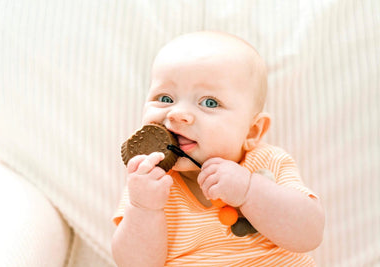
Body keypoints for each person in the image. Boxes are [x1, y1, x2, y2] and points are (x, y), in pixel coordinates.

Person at [111, 31, 324, 266]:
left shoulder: (267, 163)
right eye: (165, 98)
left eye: (209, 102)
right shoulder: (150, 182)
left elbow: (310, 234)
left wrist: (249, 190)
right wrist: (144, 208)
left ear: (252, 131)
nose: (177, 113)